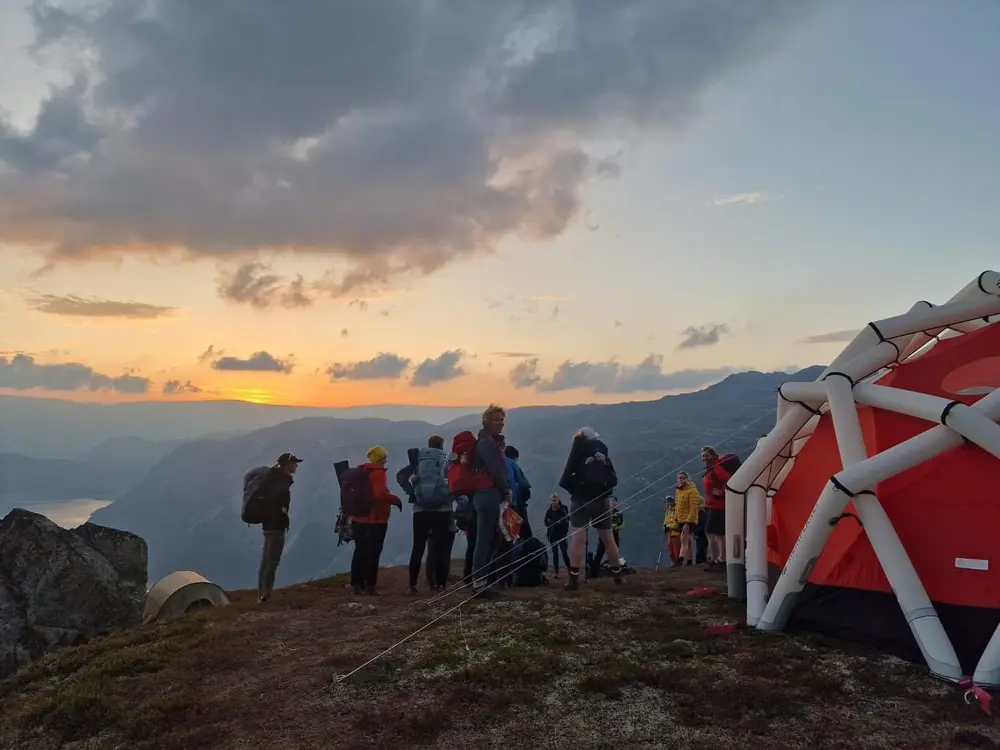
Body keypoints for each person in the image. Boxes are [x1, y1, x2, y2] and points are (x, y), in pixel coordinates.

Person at [558, 426, 624, 590]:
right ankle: (617, 576)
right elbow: (613, 479)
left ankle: (573, 580)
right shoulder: (602, 450)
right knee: (608, 538)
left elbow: (564, 480)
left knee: (578, 539)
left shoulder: (577, 449)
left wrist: (577, 491)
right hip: (601, 501)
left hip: (580, 501)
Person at [470, 404, 511, 598]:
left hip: (485, 494)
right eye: (497, 420)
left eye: (502, 420)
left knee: (488, 538)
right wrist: (506, 490)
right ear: (487, 421)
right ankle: (479, 583)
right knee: (484, 539)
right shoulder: (487, 443)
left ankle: (482, 581)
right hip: (487, 494)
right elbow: (496, 470)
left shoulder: (487, 441)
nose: (501, 423)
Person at [249, 452, 302, 603]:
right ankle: (265, 596)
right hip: (275, 526)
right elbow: (277, 504)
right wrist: (281, 515)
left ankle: (262, 593)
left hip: (268, 525)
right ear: (286, 465)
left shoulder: (272, 479)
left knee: (266, 561)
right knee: (272, 561)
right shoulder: (280, 482)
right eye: (294, 464)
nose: (296, 466)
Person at [350, 445, 403, 595]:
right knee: (374, 552)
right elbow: (379, 494)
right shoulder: (378, 473)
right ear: (379, 459)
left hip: (358, 518)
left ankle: (356, 584)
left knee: (359, 550)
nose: (385, 460)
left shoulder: (359, 472)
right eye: (384, 457)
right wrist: (395, 500)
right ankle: (370, 585)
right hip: (376, 520)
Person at [408, 435, 453, 593]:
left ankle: (412, 584)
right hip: (442, 510)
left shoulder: (416, 460)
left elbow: (401, 477)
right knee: (441, 548)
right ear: (441, 445)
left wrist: (411, 492)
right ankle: (441, 584)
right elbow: (451, 481)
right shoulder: (445, 460)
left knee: (418, 547)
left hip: (420, 509)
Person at [701, 446, 735, 571]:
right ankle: (716, 559)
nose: (704, 458)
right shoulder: (711, 469)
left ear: (713, 456)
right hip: (713, 504)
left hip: (719, 505)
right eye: (703, 456)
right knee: (712, 531)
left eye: (706, 455)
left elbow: (730, 481)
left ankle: (720, 560)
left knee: (716, 532)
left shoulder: (717, 468)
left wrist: (721, 492)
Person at [673, 470, 703, 567]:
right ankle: (689, 560)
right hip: (681, 518)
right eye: (680, 478)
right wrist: (676, 517)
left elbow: (694, 507)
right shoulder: (678, 490)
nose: (681, 480)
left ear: (687, 478)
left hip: (689, 519)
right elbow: (677, 505)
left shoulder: (693, 491)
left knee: (684, 539)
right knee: (688, 541)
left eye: (683, 478)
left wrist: (688, 521)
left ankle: (680, 559)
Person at [590, 496, 624, 577]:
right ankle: (593, 572)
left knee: (614, 553)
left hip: (615, 534)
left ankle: (614, 571)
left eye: (614, 501)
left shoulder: (619, 513)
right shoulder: (604, 513)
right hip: (605, 535)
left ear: (616, 503)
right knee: (600, 552)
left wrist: (613, 526)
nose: (612, 503)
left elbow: (622, 524)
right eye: (611, 501)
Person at [504, 445, 533, 538]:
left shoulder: (497, 463)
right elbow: (524, 485)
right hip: (515, 504)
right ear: (514, 457)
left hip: (501, 505)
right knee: (523, 531)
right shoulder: (512, 464)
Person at [544, 493, 571, 578]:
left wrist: (559, 522)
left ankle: (570, 571)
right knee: (555, 553)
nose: (554, 502)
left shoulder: (564, 509)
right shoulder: (549, 511)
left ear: (558, 500)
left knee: (564, 552)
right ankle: (556, 572)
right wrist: (550, 522)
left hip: (562, 534)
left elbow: (567, 520)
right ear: (551, 501)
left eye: (555, 500)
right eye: (553, 500)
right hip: (552, 535)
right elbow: (545, 522)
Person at [663, 496, 681, 565]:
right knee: (670, 550)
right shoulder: (668, 511)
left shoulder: (677, 511)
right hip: (669, 533)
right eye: (666, 502)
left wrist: (668, 526)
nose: (667, 504)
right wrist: (664, 526)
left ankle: (678, 563)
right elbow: (666, 521)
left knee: (676, 549)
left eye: (668, 502)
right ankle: (673, 563)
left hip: (676, 533)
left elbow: (677, 523)